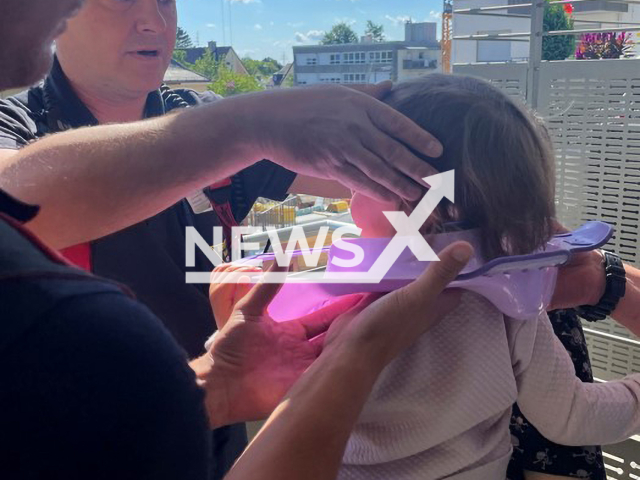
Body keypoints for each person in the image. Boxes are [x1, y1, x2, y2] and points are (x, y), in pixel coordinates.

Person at [0, 0, 472, 478]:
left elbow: (410, 179)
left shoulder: (204, 123)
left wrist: (519, 221)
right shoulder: (18, 125)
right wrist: (250, 127)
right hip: (57, 443)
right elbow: (14, 197)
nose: (154, 22)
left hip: (207, 415)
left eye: (164, 0)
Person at [210, 74, 640, 480]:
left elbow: (274, 403)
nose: (347, 194)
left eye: (358, 180)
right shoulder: (511, 303)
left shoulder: (330, 306)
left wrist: (225, 318)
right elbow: (572, 417)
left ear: (422, 206)